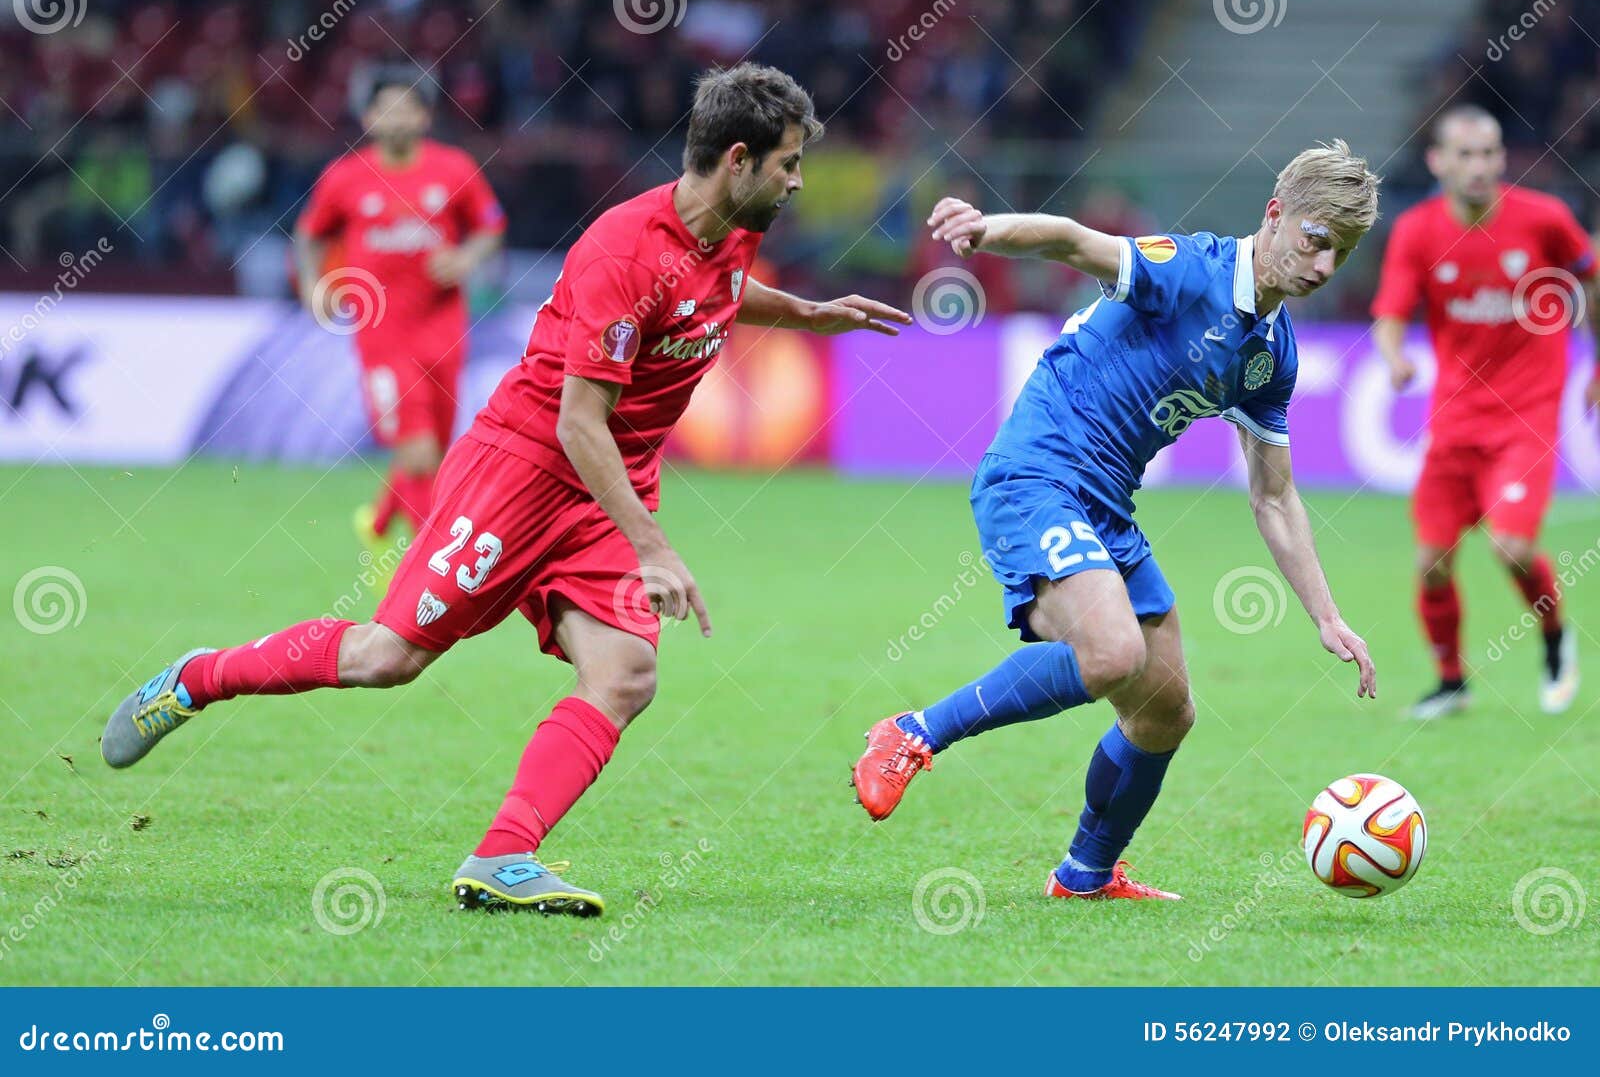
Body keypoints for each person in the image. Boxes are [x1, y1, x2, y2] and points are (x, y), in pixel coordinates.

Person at [102, 64, 911, 916]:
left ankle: (505, 855)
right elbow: (576, 423)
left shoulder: (733, 232)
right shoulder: (622, 250)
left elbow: (721, 292)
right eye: (788, 163)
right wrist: (654, 546)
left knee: (628, 674)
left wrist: (810, 315)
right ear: (738, 159)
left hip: (604, 489)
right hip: (523, 470)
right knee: (389, 658)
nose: (798, 181)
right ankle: (196, 678)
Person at [852, 141, 1381, 901]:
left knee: (1166, 709)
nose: (1324, 265)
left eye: (1343, 252)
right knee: (1109, 653)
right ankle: (914, 731)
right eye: (1315, 239)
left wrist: (1326, 615)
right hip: (1037, 472)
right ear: (1275, 215)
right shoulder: (1189, 268)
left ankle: (1086, 874)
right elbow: (1074, 240)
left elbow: (1274, 495)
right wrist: (985, 230)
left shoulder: (1272, 355)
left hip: (1106, 504)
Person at [1372, 105, 1596, 719]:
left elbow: (1592, 275)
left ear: (1502, 159)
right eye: (1464, 155)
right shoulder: (1417, 231)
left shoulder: (1544, 220)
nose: (1479, 167)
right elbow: (1390, 311)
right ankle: (1452, 682)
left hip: (1526, 417)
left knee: (1512, 548)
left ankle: (1554, 637)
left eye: (1489, 154)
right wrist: (1394, 358)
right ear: (1437, 161)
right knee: (1431, 562)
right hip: (1454, 418)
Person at [294, 68, 505, 567]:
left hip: (443, 328)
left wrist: (468, 259)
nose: (397, 116)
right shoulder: (344, 177)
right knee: (418, 453)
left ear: (426, 116)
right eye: (386, 106)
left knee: (433, 448)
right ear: (368, 118)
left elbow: (491, 226)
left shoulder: (454, 170)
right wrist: (311, 283)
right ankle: (433, 564)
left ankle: (379, 522)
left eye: (408, 106)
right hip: (381, 334)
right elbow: (309, 236)